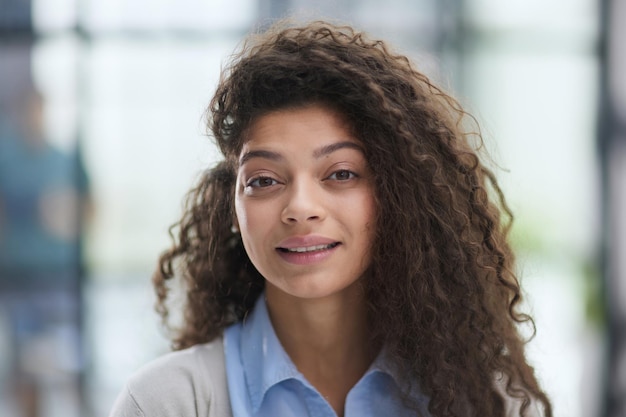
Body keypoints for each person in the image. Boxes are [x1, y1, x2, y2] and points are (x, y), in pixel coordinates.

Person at [109, 20, 552, 417]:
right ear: (233, 206)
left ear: (398, 197)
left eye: (341, 174)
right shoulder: (164, 403)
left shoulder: (489, 402)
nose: (300, 207)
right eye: (263, 180)